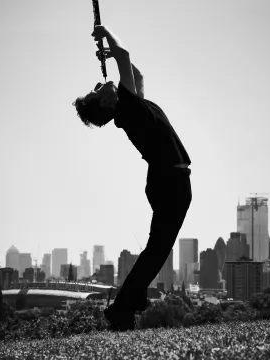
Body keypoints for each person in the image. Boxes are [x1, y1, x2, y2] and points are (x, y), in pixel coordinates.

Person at [73, 25, 192, 331]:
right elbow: (125, 57)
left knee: (156, 249)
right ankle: (124, 307)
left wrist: (112, 53)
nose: (101, 84)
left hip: (166, 180)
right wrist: (106, 34)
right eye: (97, 89)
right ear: (104, 104)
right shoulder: (127, 108)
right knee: (157, 250)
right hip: (170, 182)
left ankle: (131, 301)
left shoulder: (130, 107)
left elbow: (136, 76)